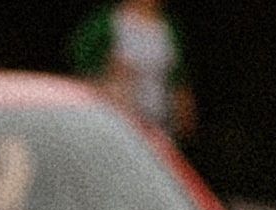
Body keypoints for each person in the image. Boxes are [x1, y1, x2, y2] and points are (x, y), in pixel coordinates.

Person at [67, 0, 193, 145]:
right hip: (119, 119)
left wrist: (183, 104)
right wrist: (106, 69)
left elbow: (178, 74)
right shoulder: (110, 20)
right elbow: (81, 56)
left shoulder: (167, 26)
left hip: (159, 119)